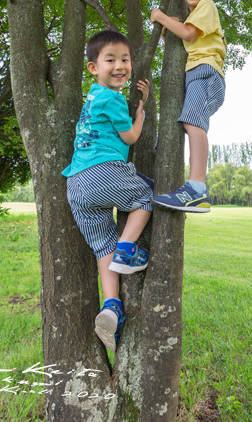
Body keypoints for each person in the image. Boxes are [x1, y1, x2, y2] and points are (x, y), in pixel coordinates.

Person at [62, 30, 152, 352]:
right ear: (93, 68)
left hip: (76, 185)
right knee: (146, 195)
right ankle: (127, 248)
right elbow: (129, 138)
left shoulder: (92, 98)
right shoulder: (111, 98)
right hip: (101, 173)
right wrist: (139, 114)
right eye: (110, 59)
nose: (119, 65)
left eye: (125, 59)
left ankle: (111, 306)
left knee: (102, 246)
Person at [150, 0, 226, 212]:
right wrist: (171, 26)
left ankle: (197, 188)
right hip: (196, 73)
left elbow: (188, 34)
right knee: (188, 121)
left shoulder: (206, 5)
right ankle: (190, 187)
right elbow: (185, 36)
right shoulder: (195, 16)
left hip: (206, 72)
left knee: (193, 122)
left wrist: (160, 17)